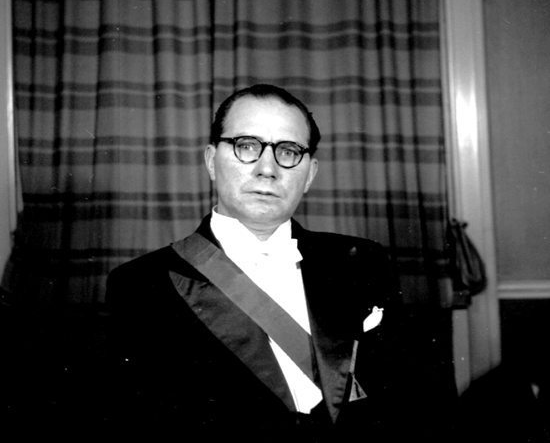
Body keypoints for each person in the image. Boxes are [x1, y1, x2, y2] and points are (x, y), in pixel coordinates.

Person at [106, 84, 440, 441]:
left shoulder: (363, 262)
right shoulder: (141, 284)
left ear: (309, 174)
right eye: (247, 146)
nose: (267, 169)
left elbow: (409, 401)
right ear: (211, 161)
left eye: (289, 151)